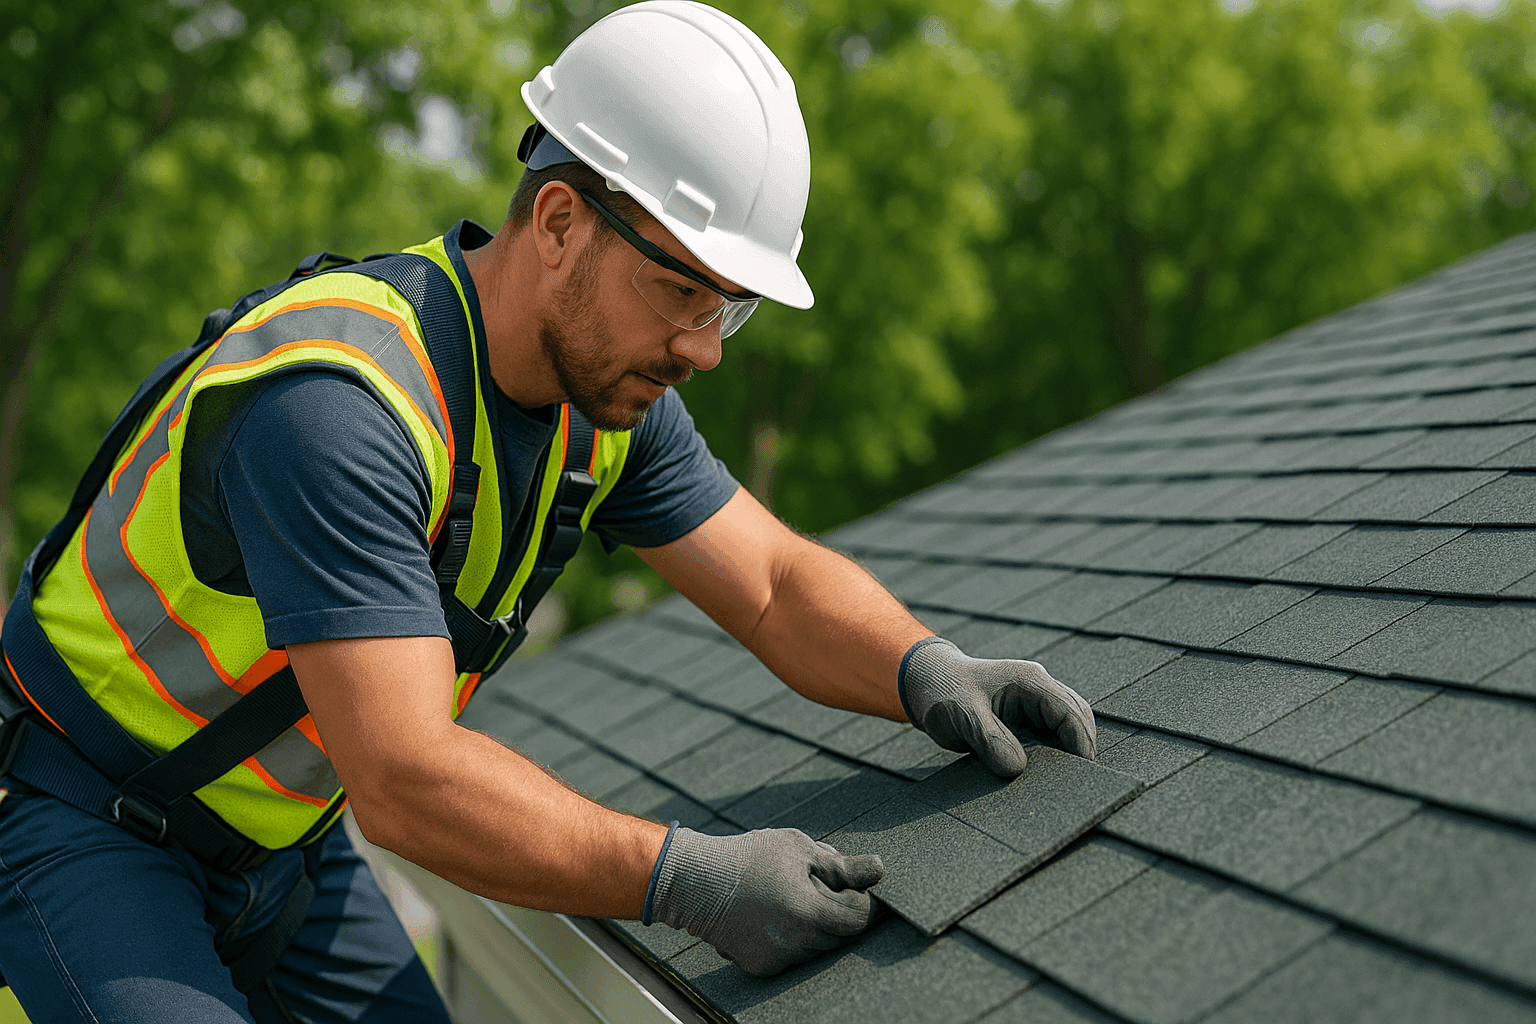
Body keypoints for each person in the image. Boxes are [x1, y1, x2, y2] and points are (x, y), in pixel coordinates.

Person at [0, 2, 1096, 1020]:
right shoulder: (339, 407)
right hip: (83, 818)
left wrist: (926, 668)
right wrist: (687, 878)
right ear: (562, 223)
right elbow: (409, 777)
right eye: (683, 292)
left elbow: (772, 584)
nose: (706, 349)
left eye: (732, 307)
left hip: (285, 845)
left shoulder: (602, 404)